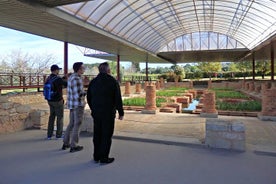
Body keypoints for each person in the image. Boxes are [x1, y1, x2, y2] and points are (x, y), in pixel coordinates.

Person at [87, 62, 124, 164]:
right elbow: (117, 98)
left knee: (97, 134)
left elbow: (89, 97)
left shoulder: (93, 82)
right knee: (106, 135)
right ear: (108, 70)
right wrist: (121, 112)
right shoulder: (112, 81)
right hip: (108, 113)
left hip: (96, 112)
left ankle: (96, 156)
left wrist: (93, 108)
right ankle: (104, 157)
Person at [62, 62, 86, 153]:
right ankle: (74, 145)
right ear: (79, 69)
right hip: (78, 105)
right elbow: (78, 95)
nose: (84, 69)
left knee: (71, 123)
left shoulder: (71, 77)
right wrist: (85, 93)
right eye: (83, 67)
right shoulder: (77, 78)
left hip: (72, 104)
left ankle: (66, 143)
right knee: (77, 124)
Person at [46, 64, 67, 140]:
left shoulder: (48, 78)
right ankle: (59, 135)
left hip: (50, 100)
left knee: (51, 117)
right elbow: (66, 84)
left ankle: (49, 135)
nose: (59, 71)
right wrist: (66, 78)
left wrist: (63, 78)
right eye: (58, 70)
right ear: (55, 70)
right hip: (58, 100)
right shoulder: (58, 79)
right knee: (60, 117)